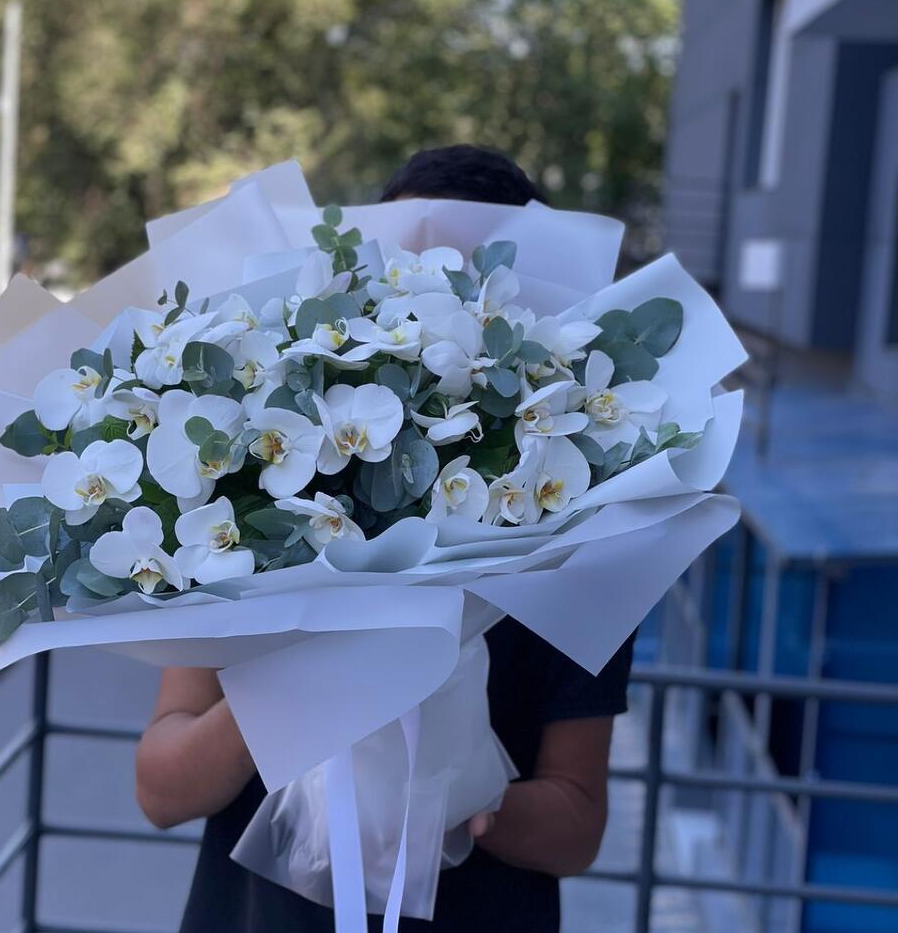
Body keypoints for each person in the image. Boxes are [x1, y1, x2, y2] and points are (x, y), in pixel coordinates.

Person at [136, 145, 636, 932]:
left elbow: (578, 824)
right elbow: (162, 790)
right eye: (412, 273)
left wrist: (463, 799)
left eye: (474, 282)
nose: (440, 305)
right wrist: (301, 680)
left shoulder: (584, 538)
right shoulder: (255, 496)